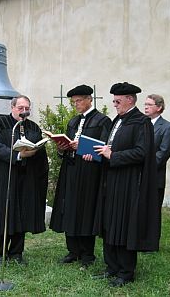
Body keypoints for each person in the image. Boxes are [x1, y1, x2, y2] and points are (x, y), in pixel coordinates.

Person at [92, 82, 158, 287]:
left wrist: (113, 154)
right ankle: (111, 266)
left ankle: (126, 271)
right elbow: (112, 147)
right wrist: (100, 152)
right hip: (111, 180)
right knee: (110, 223)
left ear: (130, 99)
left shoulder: (141, 122)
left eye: (117, 101)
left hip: (128, 183)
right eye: (113, 101)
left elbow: (142, 152)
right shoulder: (117, 121)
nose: (114, 104)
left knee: (124, 224)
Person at [0, 95, 49, 265]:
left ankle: (17, 253)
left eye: (27, 108)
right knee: (5, 214)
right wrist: (17, 155)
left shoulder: (33, 126)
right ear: (12, 107)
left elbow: (39, 149)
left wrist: (37, 148)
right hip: (6, 176)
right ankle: (0, 254)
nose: (24, 112)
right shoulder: (0, 124)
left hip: (27, 177)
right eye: (21, 108)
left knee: (22, 214)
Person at [50, 84, 111, 269]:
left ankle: (87, 254)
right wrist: (62, 148)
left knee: (85, 210)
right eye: (73, 101)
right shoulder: (73, 122)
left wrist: (88, 151)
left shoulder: (102, 121)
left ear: (89, 100)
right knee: (69, 207)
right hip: (70, 170)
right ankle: (73, 250)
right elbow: (68, 145)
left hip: (89, 172)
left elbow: (105, 148)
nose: (75, 104)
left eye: (78, 101)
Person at [144, 94, 170, 244]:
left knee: (153, 209)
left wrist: (142, 164)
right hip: (139, 175)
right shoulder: (142, 124)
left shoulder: (167, 127)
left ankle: (152, 240)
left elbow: (162, 154)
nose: (146, 107)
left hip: (155, 175)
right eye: (145, 104)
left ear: (159, 107)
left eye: (149, 105)